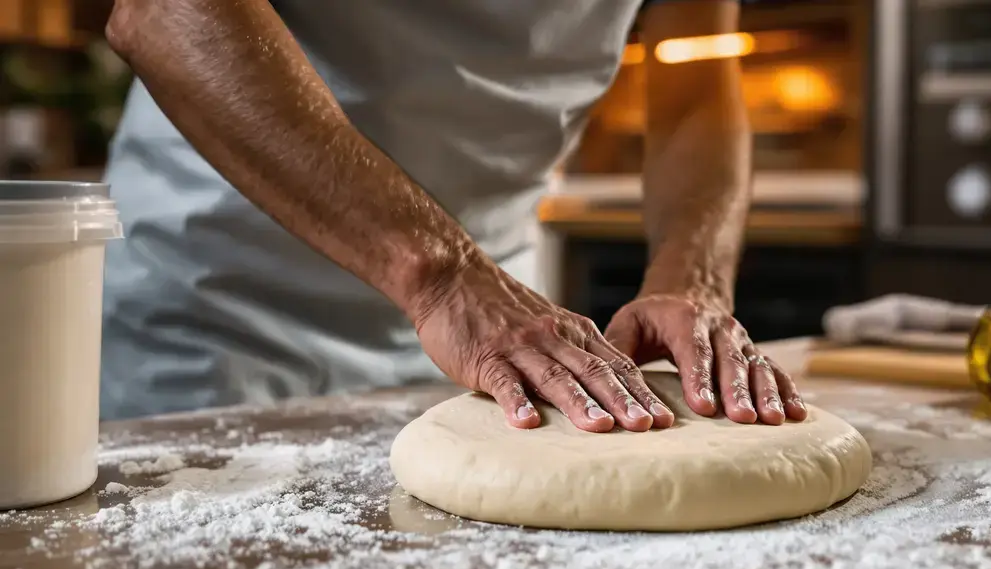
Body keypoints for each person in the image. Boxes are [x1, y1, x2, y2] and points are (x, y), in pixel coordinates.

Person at [100, 0, 807, 432]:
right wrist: (439, 276)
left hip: (498, 326)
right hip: (219, 305)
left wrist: (693, 280)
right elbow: (168, 12)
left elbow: (695, 86)